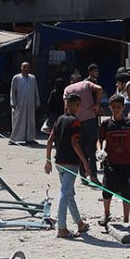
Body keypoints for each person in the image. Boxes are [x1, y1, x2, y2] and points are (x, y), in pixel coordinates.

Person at [44, 93, 90, 239]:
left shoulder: (59, 120)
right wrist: (85, 162)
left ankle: (80, 223)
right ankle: (62, 228)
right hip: (71, 163)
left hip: (59, 163)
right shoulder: (75, 122)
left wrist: (48, 161)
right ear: (76, 106)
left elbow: (49, 141)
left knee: (69, 194)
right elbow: (75, 143)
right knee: (64, 194)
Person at [98, 95, 130, 226]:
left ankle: (126, 218)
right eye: (113, 107)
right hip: (110, 162)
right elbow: (99, 140)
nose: (116, 110)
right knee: (107, 190)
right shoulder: (106, 124)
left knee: (127, 192)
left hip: (127, 163)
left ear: (123, 108)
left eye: (119, 107)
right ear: (110, 108)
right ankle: (106, 214)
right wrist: (100, 151)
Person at [63, 73, 104, 181]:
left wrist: (66, 120)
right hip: (90, 119)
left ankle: (83, 176)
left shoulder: (67, 89)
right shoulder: (86, 84)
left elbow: (65, 106)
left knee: (80, 149)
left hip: (76, 121)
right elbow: (99, 89)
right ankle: (93, 175)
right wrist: (97, 105)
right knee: (91, 148)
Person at [9, 62, 40, 145]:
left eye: (28, 67)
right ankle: (13, 139)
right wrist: (13, 102)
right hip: (19, 103)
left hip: (30, 103)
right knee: (18, 121)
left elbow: (35, 90)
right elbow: (13, 91)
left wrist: (37, 101)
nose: (26, 69)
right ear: (21, 68)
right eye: (24, 67)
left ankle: (30, 138)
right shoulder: (16, 78)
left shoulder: (33, 78)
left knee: (30, 121)